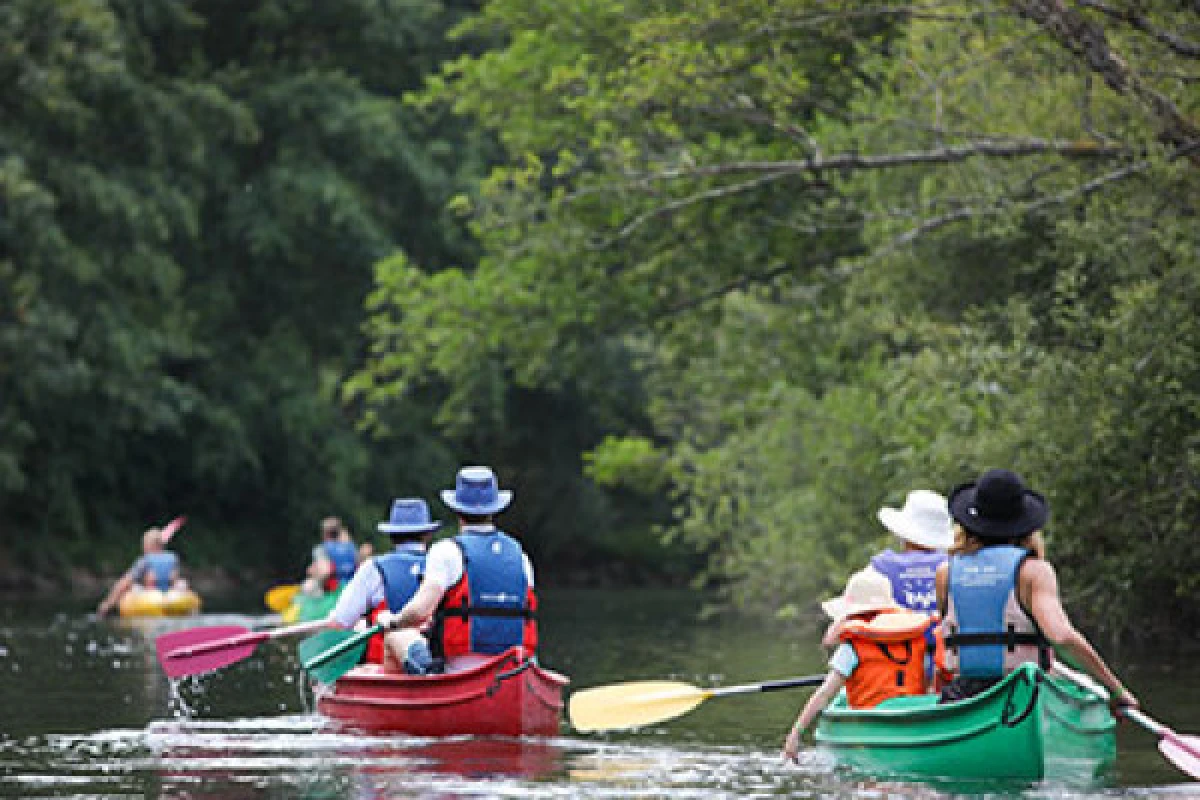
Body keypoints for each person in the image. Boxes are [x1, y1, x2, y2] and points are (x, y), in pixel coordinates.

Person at [935, 468, 1138, 711]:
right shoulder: (1033, 571)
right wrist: (1115, 689)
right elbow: (1061, 636)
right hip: (1025, 693)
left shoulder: (946, 573)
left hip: (963, 696)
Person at [374, 466, 537, 674]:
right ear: (495, 510)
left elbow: (419, 611)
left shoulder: (446, 551)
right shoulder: (521, 557)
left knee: (396, 635)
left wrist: (393, 621)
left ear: (457, 511)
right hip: (514, 666)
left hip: (459, 672)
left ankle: (396, 699)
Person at [783, 567, 934, 762]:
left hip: (874, 726)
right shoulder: (916, 639)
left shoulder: (852, 646)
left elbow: (823, 695)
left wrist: (795, 734)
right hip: (914, 718)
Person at [821, 488, 951, 648]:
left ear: (904, 534)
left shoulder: (879, 569)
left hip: (895, 662)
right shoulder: (954, 566)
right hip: (945, 660)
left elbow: (836, 630)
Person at [325, 498, 441, 671]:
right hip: (439, 661)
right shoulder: (444, 565)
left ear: (391, 535)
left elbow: (339, 623)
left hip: (385, 668)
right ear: (427, 534)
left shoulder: (373, 568)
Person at [95, 527, 187, 617]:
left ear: (148, 545)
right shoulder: (173, 558)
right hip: (171, 597)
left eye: (144, 544)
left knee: (131, 588)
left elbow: (124, 583)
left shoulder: (145, 560)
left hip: (151, 597)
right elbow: (174, 578)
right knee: (182, 584)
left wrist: (108, 603)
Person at [306, 516, 359, 593]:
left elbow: (325, 572)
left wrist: (312, 572)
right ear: (339, 532)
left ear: (325, 533)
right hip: (352, 587)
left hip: (333, 589)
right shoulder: (351, 547)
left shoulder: (321, 549)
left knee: (308, 585)